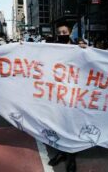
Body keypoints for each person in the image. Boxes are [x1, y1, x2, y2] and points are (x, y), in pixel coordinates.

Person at [48, 22, 77, 172]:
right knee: (59, 125)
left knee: (71, 126)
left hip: (73, 94)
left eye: (65, 31)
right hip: (57, 93)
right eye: (60, 32)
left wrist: (86, 48)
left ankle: (71, 158)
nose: (62, 34)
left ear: (70, 32)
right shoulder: (52, 48)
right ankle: (61, 153)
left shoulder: (79, 47)